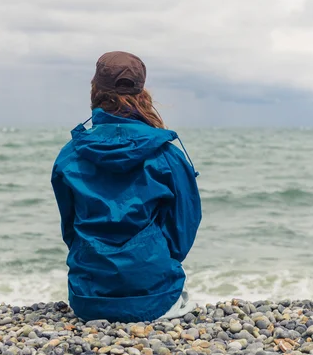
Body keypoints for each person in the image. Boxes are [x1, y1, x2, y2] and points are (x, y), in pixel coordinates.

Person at [51, 51, 202, 323]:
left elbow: (69, 229)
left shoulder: (70, 154)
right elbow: (184, 228)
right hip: (156, 297)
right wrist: (153, 260)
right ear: (142, 93)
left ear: (95, 91)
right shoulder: (168, 155)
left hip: (88, 300)